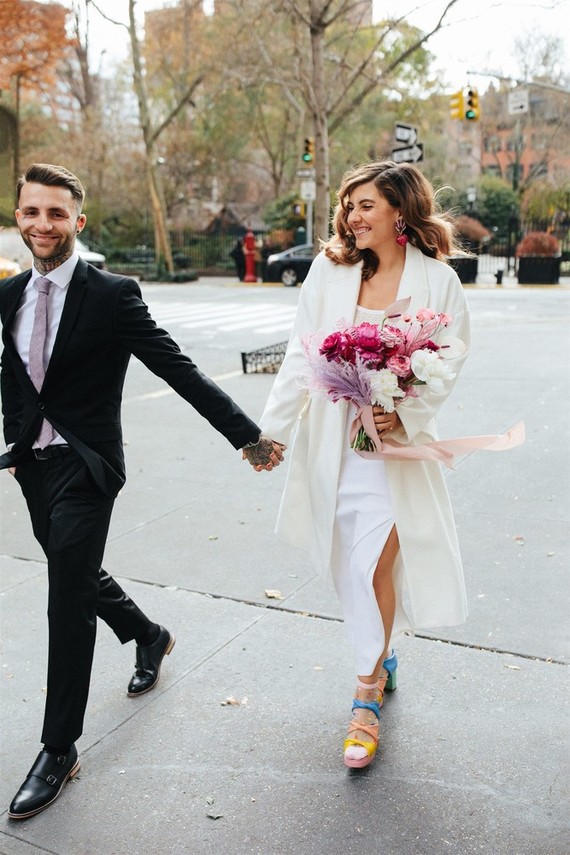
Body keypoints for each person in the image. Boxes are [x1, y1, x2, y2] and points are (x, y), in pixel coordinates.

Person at [0, 163, 284, 819]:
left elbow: (176, 367)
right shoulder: (11, 294)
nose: (43, 223)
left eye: (56, 212)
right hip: (35, 467)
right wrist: (16, 442)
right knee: (74, 570)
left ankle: (58, 747)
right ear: (20, 217)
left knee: (65, 595)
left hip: (89, 466)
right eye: (31, 211)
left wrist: (245, 435)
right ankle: (147, 633)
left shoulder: (111, 294)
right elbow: (14, 374)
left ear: (80, 220)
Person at [257, 161, 470, 769]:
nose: (351, 216)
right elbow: (303, 357)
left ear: (399, 211)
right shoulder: (330, 272)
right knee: (350, 564)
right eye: (347, 205)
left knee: (374, 564)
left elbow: (450, 359)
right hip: (334, 447)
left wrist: (404, 414)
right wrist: (269, 435)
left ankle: (365, 694)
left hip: (394, 453)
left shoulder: (438, 282)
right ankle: (382, 648)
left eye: (365, 204)